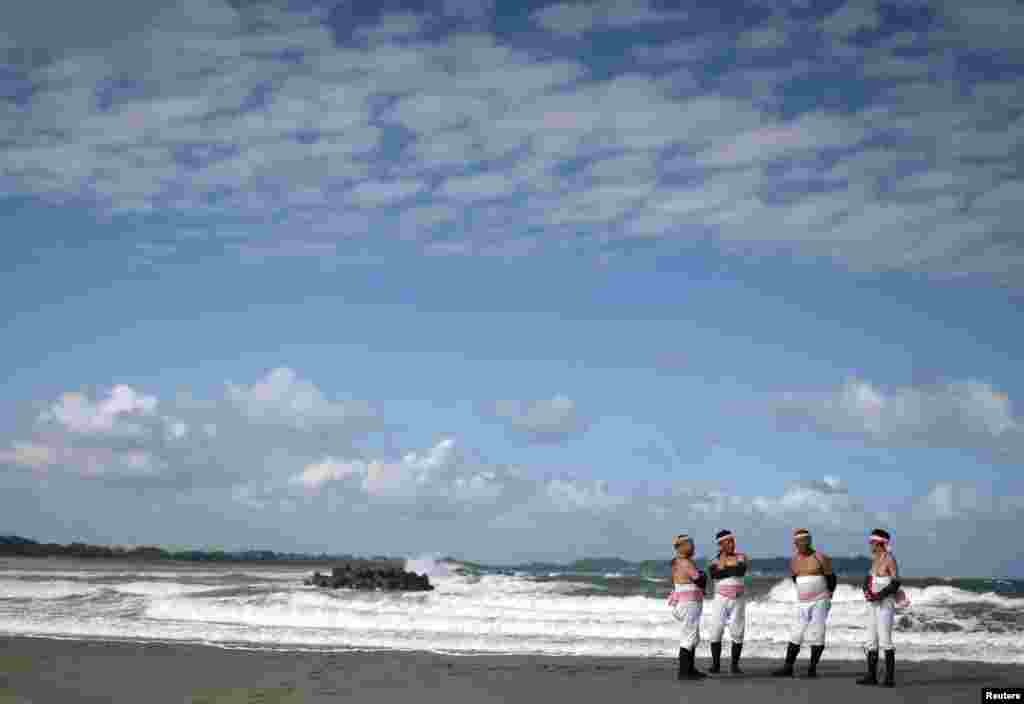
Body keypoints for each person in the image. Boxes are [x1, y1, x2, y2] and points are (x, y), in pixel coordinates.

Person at [772, 528, 836, 678]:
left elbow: (832, 578)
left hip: (820, 601)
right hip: (802, 602)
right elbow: (795, 578)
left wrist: (828, 595)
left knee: (817, 634)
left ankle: (812, 669)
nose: (802, 544)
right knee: (796, 633)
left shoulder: (821, 557)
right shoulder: (794, 561)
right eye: (799, 542)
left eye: (805, 541)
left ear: (809, 541)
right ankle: (788, 668)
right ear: (795, 543)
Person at [857, 528, 903, 687]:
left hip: (885, 604)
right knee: (871, 640)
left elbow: (896, 582)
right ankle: (871, 676)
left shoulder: (890, 559)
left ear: (880, 543)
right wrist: (866, 590)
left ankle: (889, 679)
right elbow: (869, 578)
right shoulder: (875, 558)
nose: (870, 544)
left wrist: (880, 595)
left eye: (872, 542)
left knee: (885, 640)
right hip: (873, 604)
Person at [706, 529, 748, 674]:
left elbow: (740, 571)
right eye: (728, 542)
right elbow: (714, 574)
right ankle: (716, 665)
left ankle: (735, 666)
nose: (732, 544)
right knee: (716, 630)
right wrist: (729, 569)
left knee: (738, 631)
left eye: (732, 541)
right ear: (721, 544)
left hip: (738, 599)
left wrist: (724, 569)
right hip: (721, 599)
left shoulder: (742, 556)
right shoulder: (714, 560)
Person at [668, 533, 708, 680]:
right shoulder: (684, 563)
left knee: (693, 636)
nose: (693, 547)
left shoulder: (679, 562)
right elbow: (698, 579)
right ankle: (684, 672)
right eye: (690, 544)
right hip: (689, 603)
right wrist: (703, 575)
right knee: (689, 636)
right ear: (681, 547)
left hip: (687, 603)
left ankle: (690, 669)